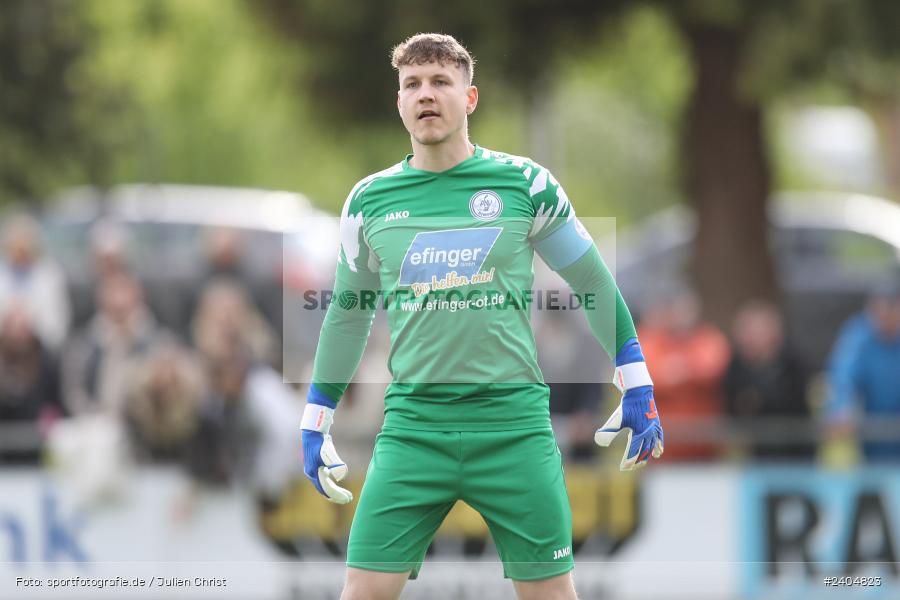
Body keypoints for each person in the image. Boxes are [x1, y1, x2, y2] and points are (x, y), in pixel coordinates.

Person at [299, 34, 664, 600]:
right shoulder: (368, 200)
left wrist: (634, 376)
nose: (426, 94)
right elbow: (348, 316)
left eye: (441, 81)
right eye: (412, 84)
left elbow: (591, 281)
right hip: (414, 430)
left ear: (470, 97)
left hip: (513, 428)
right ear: (399, 102)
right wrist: (316, 414)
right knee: (361, 591)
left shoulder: (525, 184)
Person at [637, 288, 730, 461]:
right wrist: (685, 373)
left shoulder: (708, 337)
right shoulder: (650, 340)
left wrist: (677, 370)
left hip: (705, 445)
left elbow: (712, 371)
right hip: (659, 448)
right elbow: (647, 378)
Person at [723, 300, 812, 460]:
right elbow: (734, 408)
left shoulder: (793, 363)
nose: (748, 338)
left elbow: (792, 404)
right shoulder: (735, 367)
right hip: (756, 455)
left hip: (796, 453)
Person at [826, 276, 900, 462]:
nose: (884, 318)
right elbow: (842, 376)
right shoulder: (858, 334)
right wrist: (842, 408)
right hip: (871, 432)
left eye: (891, 310)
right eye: (878, 311)